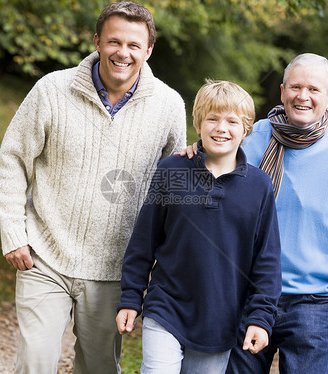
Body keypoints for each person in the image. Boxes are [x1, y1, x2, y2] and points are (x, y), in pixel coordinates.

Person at [0, 2, 186, 373]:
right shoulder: (52, 90)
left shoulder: (168, 105)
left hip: (115, 267)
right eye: (114, 41)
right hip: (44, 255)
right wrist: (14, 231)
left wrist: (156, 258)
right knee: (36, 362)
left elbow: (169, 187)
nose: (122, 53)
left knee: (98, 367)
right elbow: (13, 159)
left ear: (148, 51)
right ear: (97, 41)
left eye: (133, 45)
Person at [181, 53, 328, 373]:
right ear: (282, 91)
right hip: (245, 294)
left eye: (314, 89)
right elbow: (203, 180)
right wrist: (190, 154)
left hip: (314, 304)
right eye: (295, 87)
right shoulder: (250, 138)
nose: (303, 96)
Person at [116, 80, 282, 373]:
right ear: (198, 124)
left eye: (232, 121)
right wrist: (131, 297)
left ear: (245, 130)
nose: (221, 128)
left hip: (220, 320)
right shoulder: (172, 171)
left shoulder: (259, 186)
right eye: (213, 119)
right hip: (166, 307)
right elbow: (144, 240)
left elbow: (266, 262)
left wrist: (260, 318)